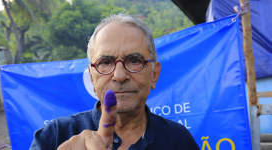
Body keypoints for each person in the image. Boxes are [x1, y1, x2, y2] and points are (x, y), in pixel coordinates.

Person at [30, 14, 199, 150]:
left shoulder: (178, 140)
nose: (119, 75)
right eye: (106, 62)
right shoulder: (54, 137)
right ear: (91, 77)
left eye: (134, 60)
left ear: (154, 74)